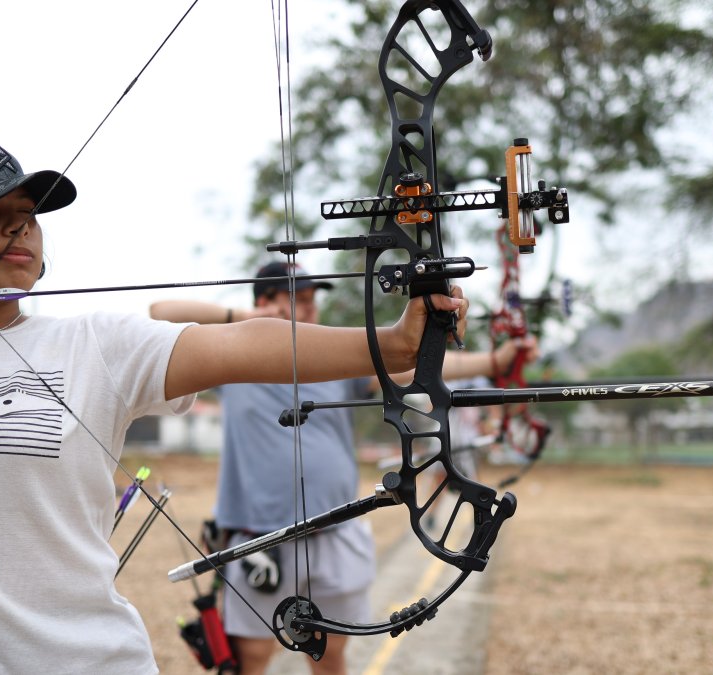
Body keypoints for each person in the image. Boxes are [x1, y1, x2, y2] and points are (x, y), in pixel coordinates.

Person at [0, 136, 469, 674]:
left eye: (27, 211)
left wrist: (393, 342)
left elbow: (247, 342)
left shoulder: (94, 345)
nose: (19, 226)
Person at [150, 266, 535, 675]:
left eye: (312, 300)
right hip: (259, 540)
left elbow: (421, 371)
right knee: (252, 660)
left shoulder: (331, 364)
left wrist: (497, 360)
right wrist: (247, 322)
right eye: (297, 298)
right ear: (263, 301)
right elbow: (159, 313)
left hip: (338, 531)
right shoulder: (228, 360)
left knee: (331, 656)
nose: (309, 308)